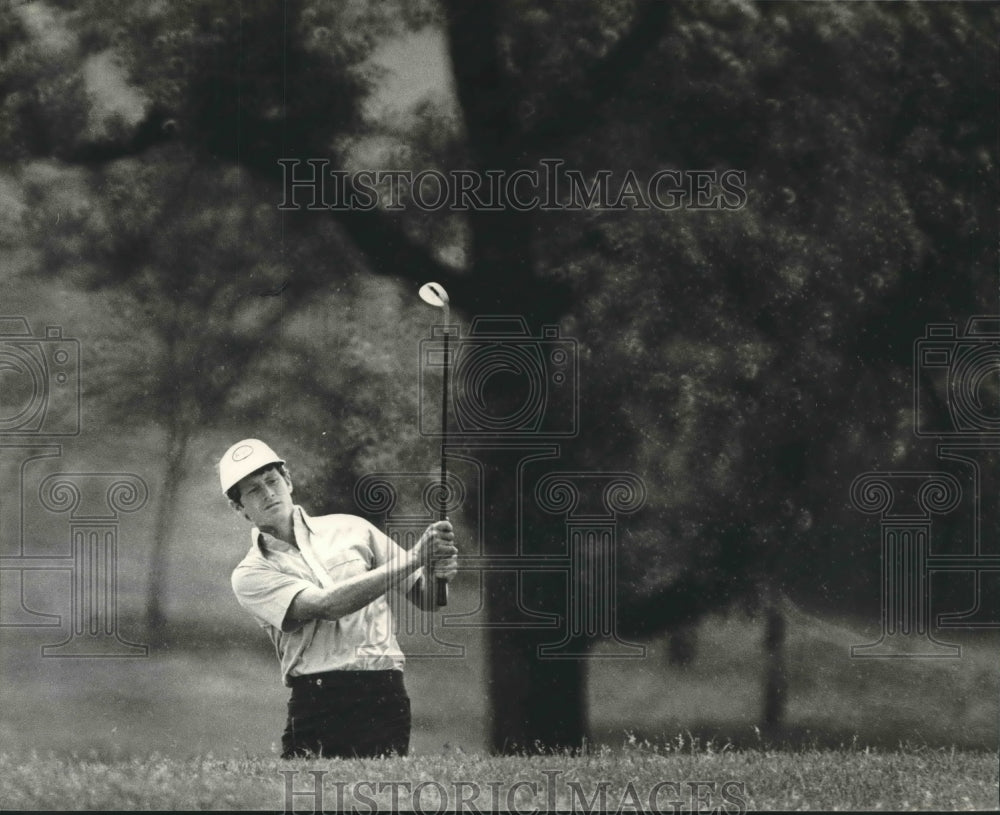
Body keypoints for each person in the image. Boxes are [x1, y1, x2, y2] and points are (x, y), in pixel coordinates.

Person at [220, 438, 458, 759]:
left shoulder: (353, 528)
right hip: (317, 700)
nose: (268, 493)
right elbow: (325, 605)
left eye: (272, 481)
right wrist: (416, 557)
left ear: (288, 480)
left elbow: (428, 598)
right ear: (239, 507)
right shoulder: (250, 573)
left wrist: (439, 570)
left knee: (381, 800)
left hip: (384, 691)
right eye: (253, 490)